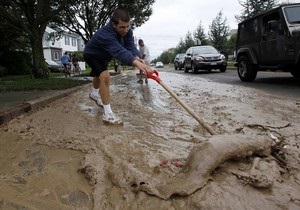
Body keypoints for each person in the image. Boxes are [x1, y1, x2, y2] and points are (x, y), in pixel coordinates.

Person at [84, 9, 153, 125]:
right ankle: (108, 114)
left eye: (127, 26)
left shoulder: (128, 32)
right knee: (105, 76)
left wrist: (136, 57)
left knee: (98, 74)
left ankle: (94, 94)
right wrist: (136, 63)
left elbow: (130, 46)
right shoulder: (105, 34)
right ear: (114, 24)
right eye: (122, 27)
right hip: (92, 55)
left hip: (104, 56)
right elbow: (119, 51)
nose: (125, 30)